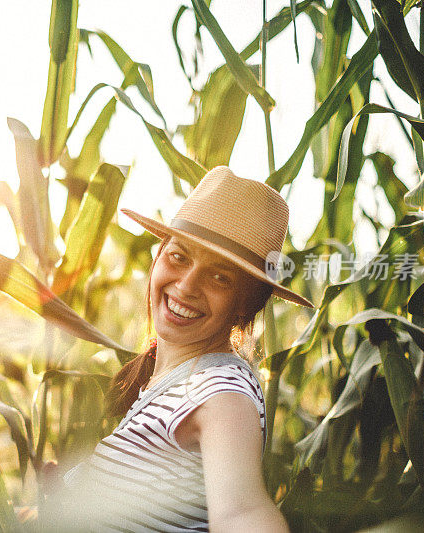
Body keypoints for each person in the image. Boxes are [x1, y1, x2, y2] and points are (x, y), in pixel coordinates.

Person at [42, 166, 314, 532]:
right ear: (157, 257)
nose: (186, 286)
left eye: (220, 277)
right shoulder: (167, 384)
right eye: (179, 257)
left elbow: (241, 513)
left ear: (244, 304)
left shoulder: (219, 392)